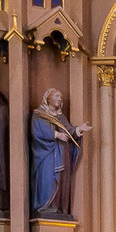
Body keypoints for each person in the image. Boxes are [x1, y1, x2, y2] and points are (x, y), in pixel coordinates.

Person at [29, 89, 87, 217]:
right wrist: (56, 134)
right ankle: (46, 206)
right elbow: (37, 131)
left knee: (62, 179)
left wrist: (78, 130)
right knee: (48, 178)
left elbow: (69, 130)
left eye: (61, 97)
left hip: (63, 153)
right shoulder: (39, 114)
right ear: (48, 98)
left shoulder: (60, 116)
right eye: (56, 96)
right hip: (47, 154)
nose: (59, 99)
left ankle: (58, 206)